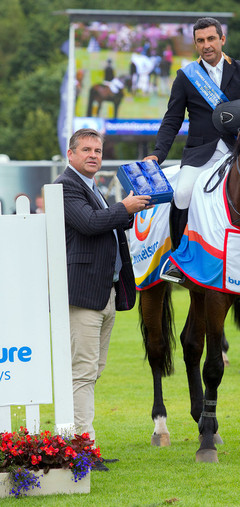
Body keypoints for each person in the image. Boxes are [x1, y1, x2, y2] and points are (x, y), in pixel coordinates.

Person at [144, 17, 240, 282]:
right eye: (200, 41)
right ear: (195, 44)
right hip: (200, 153)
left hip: (238, 151)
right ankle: (180, 258)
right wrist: (158, 153)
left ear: (222, 40)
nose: (206, 45)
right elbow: (172, 120)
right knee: (182, 193)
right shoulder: (185, 77)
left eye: (211, 39)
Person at [54, 128, 151, 471]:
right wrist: (122, 207)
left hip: (104, 292)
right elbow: (90, 223)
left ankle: (83, 444)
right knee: (82, 373)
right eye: (87, 149)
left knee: (93, 371)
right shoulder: (66, 186)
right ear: (71, 155)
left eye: (98, 149)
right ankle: (83, 449)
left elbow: (106, 225)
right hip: (83, 293)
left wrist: (131, 208)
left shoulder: (92, 187)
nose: (94, 154)